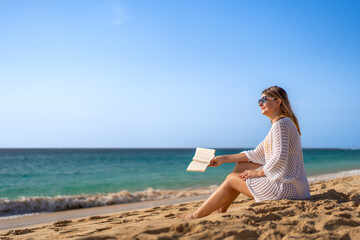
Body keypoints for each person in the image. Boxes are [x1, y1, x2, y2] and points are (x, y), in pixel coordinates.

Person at [177, 86, 311, 219]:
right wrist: (222, 159)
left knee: (231, 179)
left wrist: (257, 173)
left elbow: (279, 159)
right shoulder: (281, 123)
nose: (260, 103)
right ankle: (220, 209)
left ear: (278, 102)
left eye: (264, 99)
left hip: (288, 189)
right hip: (297, 187)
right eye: (259, 100)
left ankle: (195, 215)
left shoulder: (281, 124)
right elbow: (254, 154)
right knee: (242, 166)